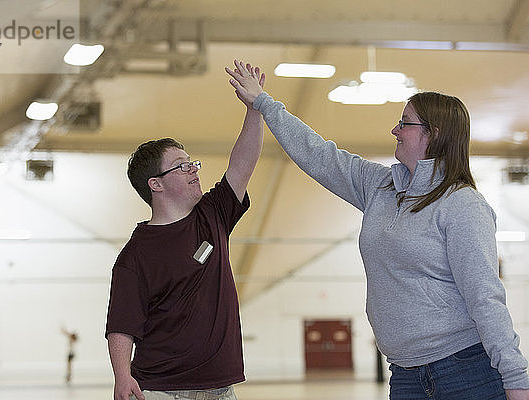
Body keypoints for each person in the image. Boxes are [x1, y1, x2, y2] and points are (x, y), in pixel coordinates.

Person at [226, 60, 529, 400]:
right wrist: (264, 104)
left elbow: (484, 296)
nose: (395, 130)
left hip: (464, 371)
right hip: (405, 373)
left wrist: (516, 378)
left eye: (405, 123)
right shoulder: (379, 187)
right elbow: (318, 155)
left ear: (434, 135)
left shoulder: (463, 205)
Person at [106, 61, 265, 400]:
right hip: (162, 389)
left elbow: (242, 163)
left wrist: (256, 109)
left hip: (221, 388)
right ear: (156, 185)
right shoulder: (135, 257)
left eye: (192, 162)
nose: (193, 170)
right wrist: (122, 377)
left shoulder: (213, 214)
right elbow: (122, 325)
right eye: (181, 166)